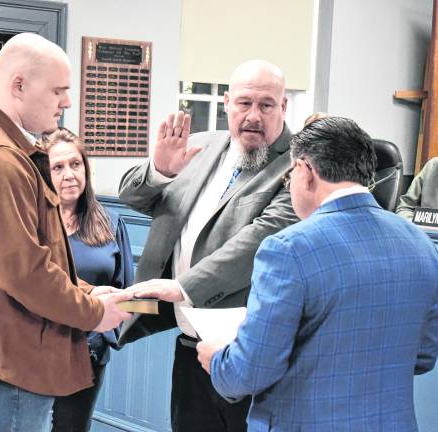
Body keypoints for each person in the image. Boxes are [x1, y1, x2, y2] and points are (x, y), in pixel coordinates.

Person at [0, 33, 132, 432]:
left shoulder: (5, 149)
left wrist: (86, 292)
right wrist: (92, 312)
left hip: (14, 363)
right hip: (12, 368)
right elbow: (24, 273)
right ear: (19, 85)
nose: (66, 102)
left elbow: (31, 255)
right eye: (58, 90)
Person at [197, 117, 438, 431]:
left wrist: (218, 359)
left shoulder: (288, 249)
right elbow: (423, 355)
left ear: (305, 170)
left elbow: (250, 373)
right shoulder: (421, 244)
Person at [118, 59, 299, 432]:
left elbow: (259, 241)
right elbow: (132, 197)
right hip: (190, 343)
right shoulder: (199, 145)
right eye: (244, 103)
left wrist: (183, 287)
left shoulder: (299, 165)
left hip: (249, 349)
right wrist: (160, 171)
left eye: (266, 105)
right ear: (227, 104)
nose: (254, 115)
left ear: (284, 107)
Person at [44, 128, 134, 432]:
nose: (69, 174)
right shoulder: (32, 223)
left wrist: (103, 336)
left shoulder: (109, 223)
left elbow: (125, 293)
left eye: (75, 164)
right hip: (37, 350)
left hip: (88, 352)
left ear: (86, 169)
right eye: (58, 167)